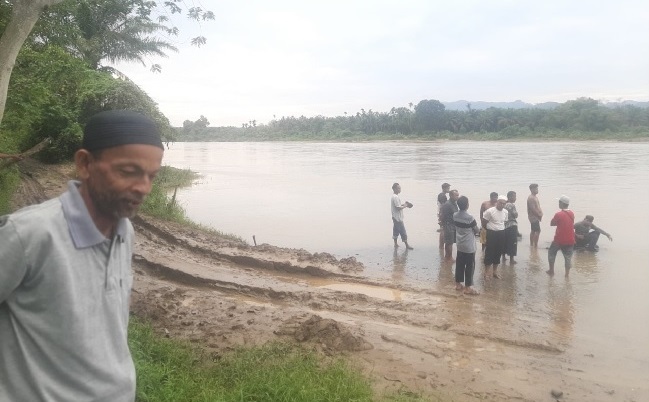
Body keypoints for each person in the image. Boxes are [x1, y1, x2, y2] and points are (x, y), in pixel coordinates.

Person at [0, 110, 165, 401]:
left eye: (151, 176)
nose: (144, 188)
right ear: (85, 164)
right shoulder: (29, 234)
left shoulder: (124, 231)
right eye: (128, 172)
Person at [453, 196, 480, 295]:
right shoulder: (470, 217)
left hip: (460, 244)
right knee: (469, 266)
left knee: (459, 264)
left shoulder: (455, 215)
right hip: (469, 246)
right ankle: (468, 287)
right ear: (467, 205)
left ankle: (458, 284)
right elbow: (476, 230)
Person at [547, 195, 575, 277]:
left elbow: (552, 223)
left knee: (551, 253)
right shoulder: (572, 213)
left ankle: (551, 270)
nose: (558, 203)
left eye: (559, 202)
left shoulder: (558, 214)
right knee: (568, 257)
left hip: (559, 239)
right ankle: (567, 275)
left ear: (562, 203)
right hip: (570, 239)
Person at [483, 195, 508, 279]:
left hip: (501, 232)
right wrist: (487, 231)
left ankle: (495, 272)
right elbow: (484, 222)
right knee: (489, 252)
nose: (502, 205)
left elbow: (504, 222)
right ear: (497, 202)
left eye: (504, 204)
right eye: (500, 203)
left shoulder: (505, 212)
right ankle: (486, 273)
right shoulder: (490, 211)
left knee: (498, 252)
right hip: (491, 232)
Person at [391, 182, 413, 250]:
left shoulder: (394, 196)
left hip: (395, 217)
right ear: (394, 189)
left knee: (396, 230)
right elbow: (398, 208)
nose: (399, 189)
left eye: (400, 188)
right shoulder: (395, 197)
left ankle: (395, 244)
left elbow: (398, 206)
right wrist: (405, 206)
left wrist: (404, 204)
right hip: (398, 218)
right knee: (403, 232)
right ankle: (407, 245)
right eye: (398, 188)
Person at [440, 189, 459, 261]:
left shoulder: (454, 203)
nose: (457, 197)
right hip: (448, 225)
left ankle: (448, 257)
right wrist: (443, 225)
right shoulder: (447, 204)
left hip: (453, 225)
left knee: (451, 242)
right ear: (451, 195)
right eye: (456, 195)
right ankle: (448, 257)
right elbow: (442, 215)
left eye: (458, 195)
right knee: (449, 242)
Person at [502, 190, 519, 264]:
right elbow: (515, 215)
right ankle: (512, 259)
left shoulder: (503, 204)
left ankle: (503, 257)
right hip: (511, 225)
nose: (515, 198)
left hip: (504, 226)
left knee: (505, 241)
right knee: (513, 242)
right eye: (514, 196)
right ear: (510, 197)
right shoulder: (511, 205)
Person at [527, 183, 543, 247]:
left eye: (537, 188)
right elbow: (533, 209)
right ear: (531, 189)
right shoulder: (531, 198)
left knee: (533, 230)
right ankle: (535, 245)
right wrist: (539, 215)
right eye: (535, 188)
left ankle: (532, 245)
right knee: (538, 231)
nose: (537, 190)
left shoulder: (534, 197)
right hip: (534, 217)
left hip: (535, 217)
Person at [437, 182, 451, 248]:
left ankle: (441, 246)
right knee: (443, 230)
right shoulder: (442, 196)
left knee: (442, 229)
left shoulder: (441, 195)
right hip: (442, 213)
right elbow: (443, 206)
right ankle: (441, 246)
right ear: (444, 188)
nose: (449, 189)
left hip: (440, 213)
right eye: (448, 188)